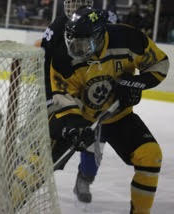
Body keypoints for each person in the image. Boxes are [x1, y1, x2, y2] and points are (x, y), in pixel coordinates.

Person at [47, 6, 169, 213]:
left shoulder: (129, 39)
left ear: (100, 35)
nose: (76, 48)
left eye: (83, 42)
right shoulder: (62, 58)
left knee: (150, 155)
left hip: (118, 116)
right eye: (73, 41)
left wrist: (136, 84)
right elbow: (60, 98)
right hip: (77, 118)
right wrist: (75, 126)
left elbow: (159, 65)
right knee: (36, 164)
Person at [38, 0, 112, 204]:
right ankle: (28, 169)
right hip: (63, 94)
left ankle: (85, 179)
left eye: (81, 2)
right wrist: (48, 97)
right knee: (45, 137)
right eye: (72, 1)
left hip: (94, 93)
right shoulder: (56, 27)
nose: (76, 6)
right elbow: (44, 65)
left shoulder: (102, 23)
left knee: (95, 140)